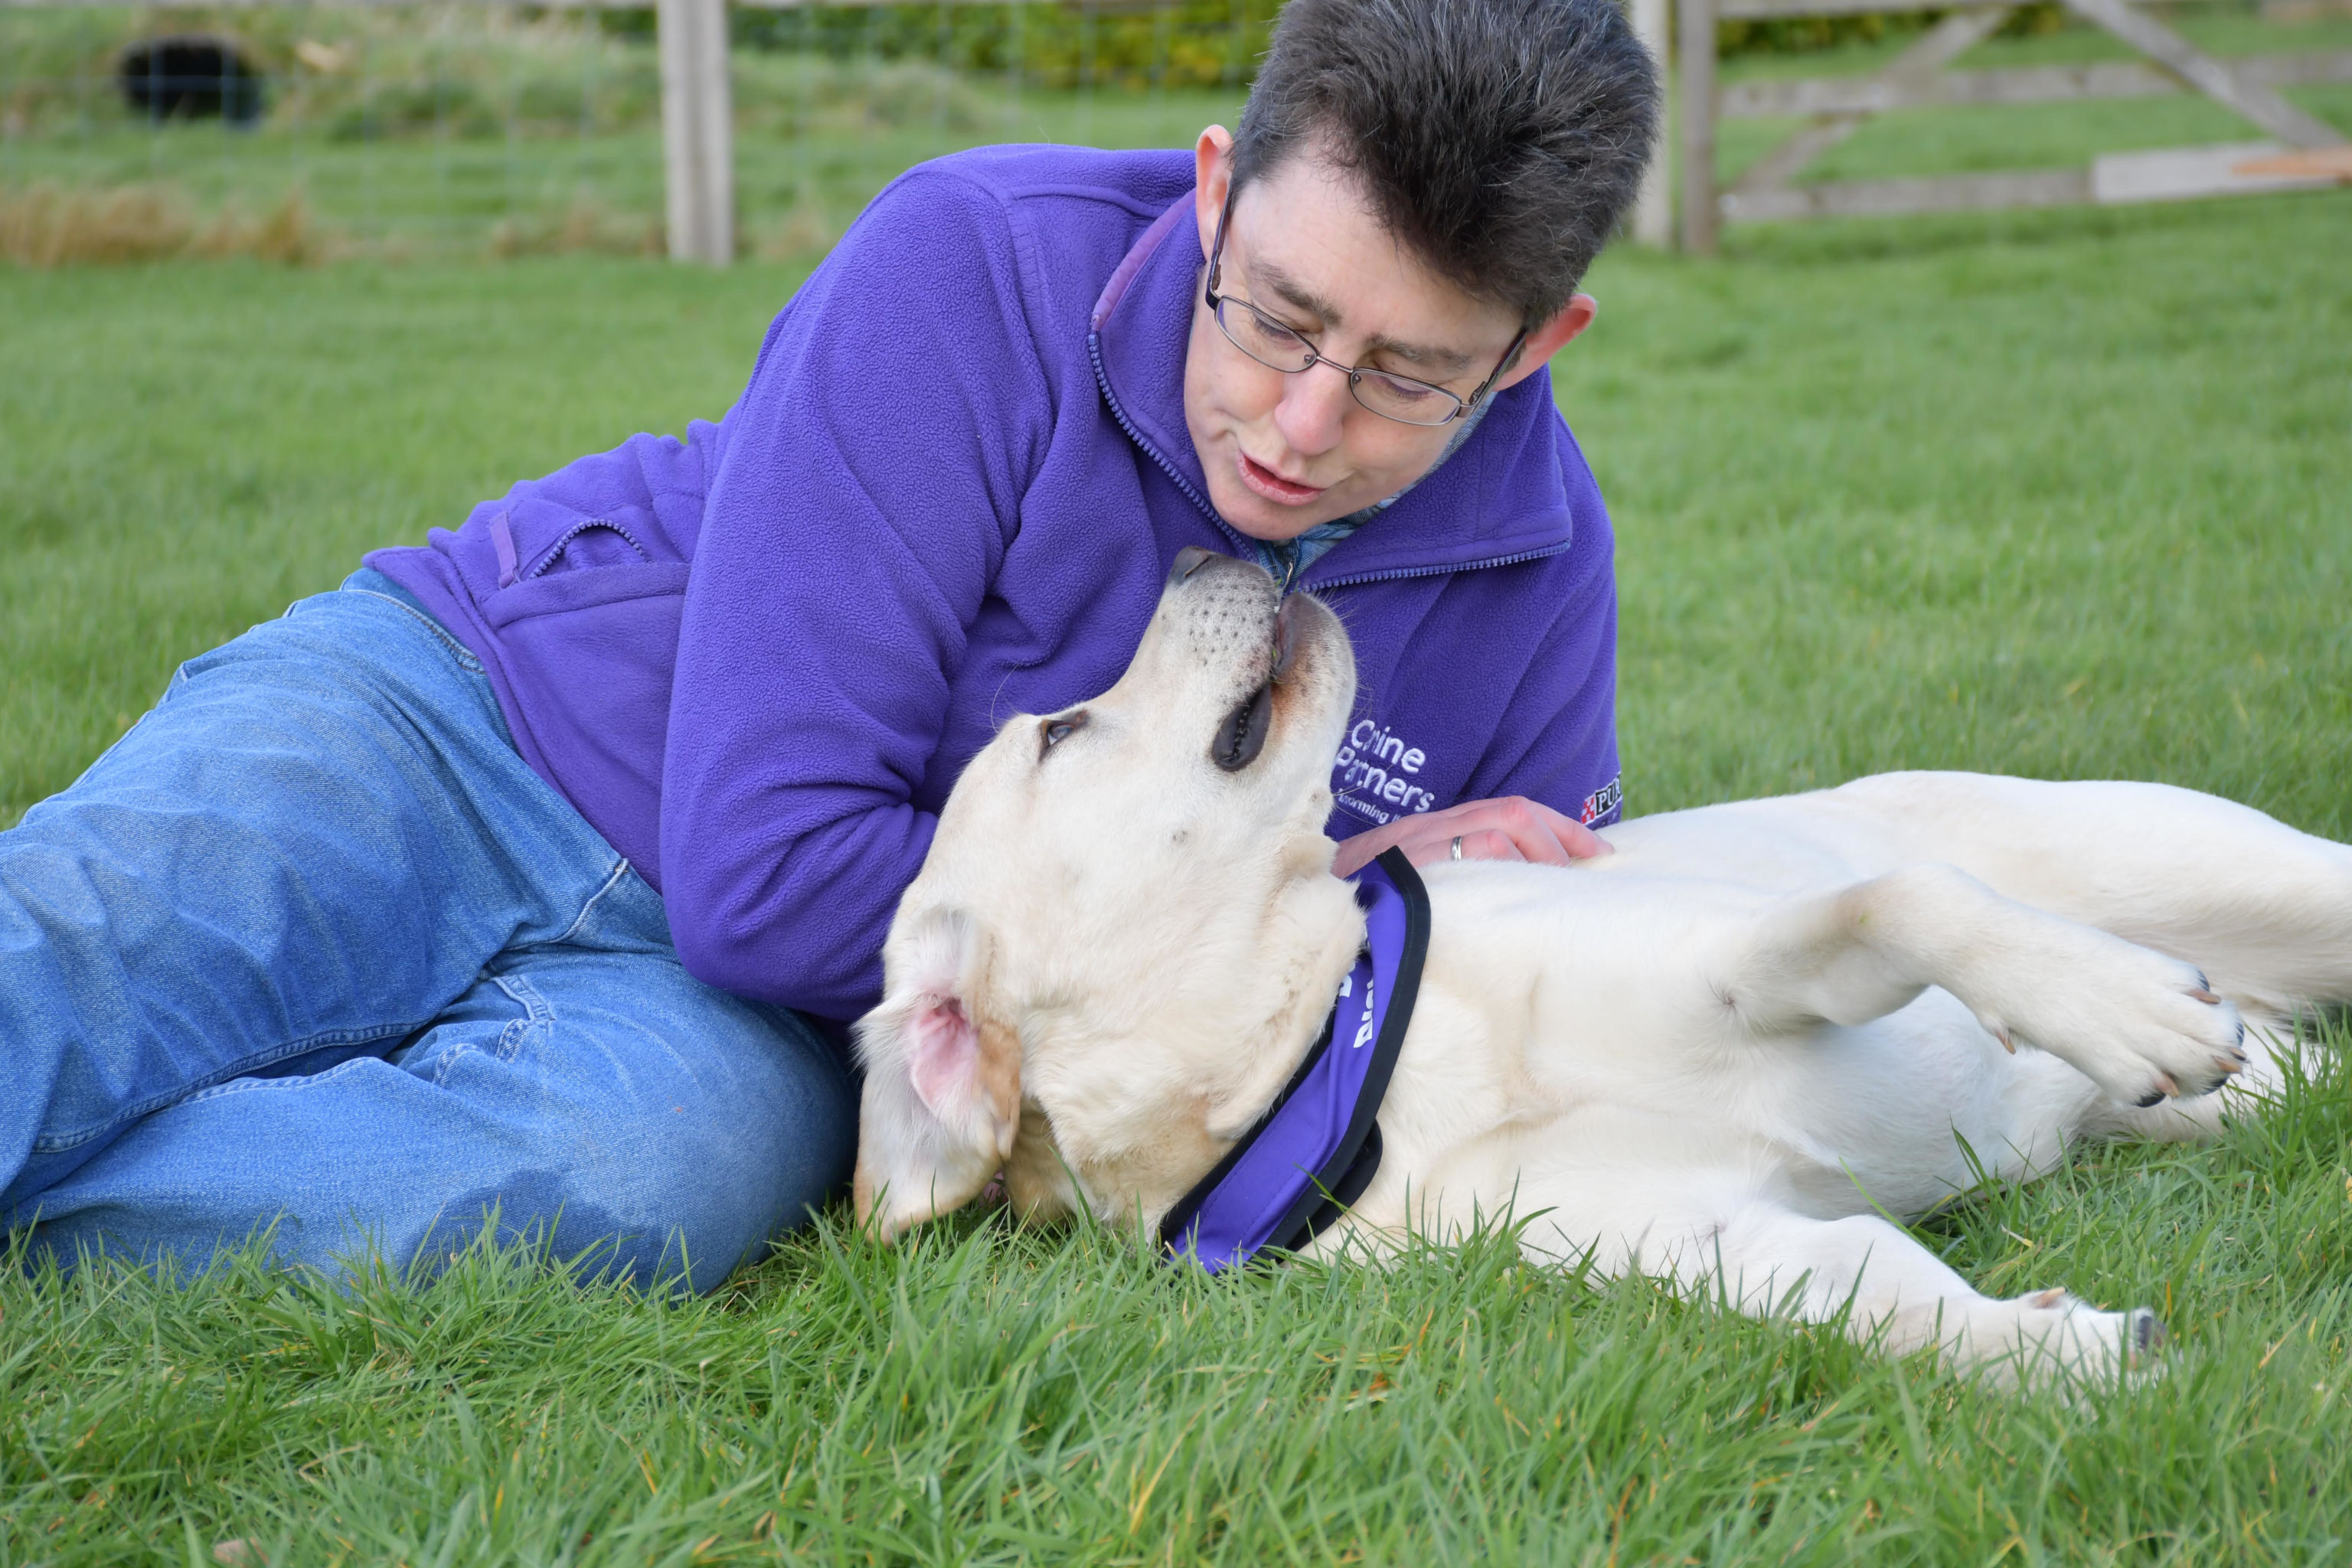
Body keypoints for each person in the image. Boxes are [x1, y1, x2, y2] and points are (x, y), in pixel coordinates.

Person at [0, 0, 1657, 1289]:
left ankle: (52, 1206)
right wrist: (1330, 875)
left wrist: (1411, 899)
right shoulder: (975, 260)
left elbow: (1504, 982)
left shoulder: (1542, 571)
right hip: (478, 715)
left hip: (783, 1015)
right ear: (1219, 188)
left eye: (1402, 376)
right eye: (1277, 316)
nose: (1300, 422)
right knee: (77, 958)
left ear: (1532, 347)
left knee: (642, 1185)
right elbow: (770, 857)